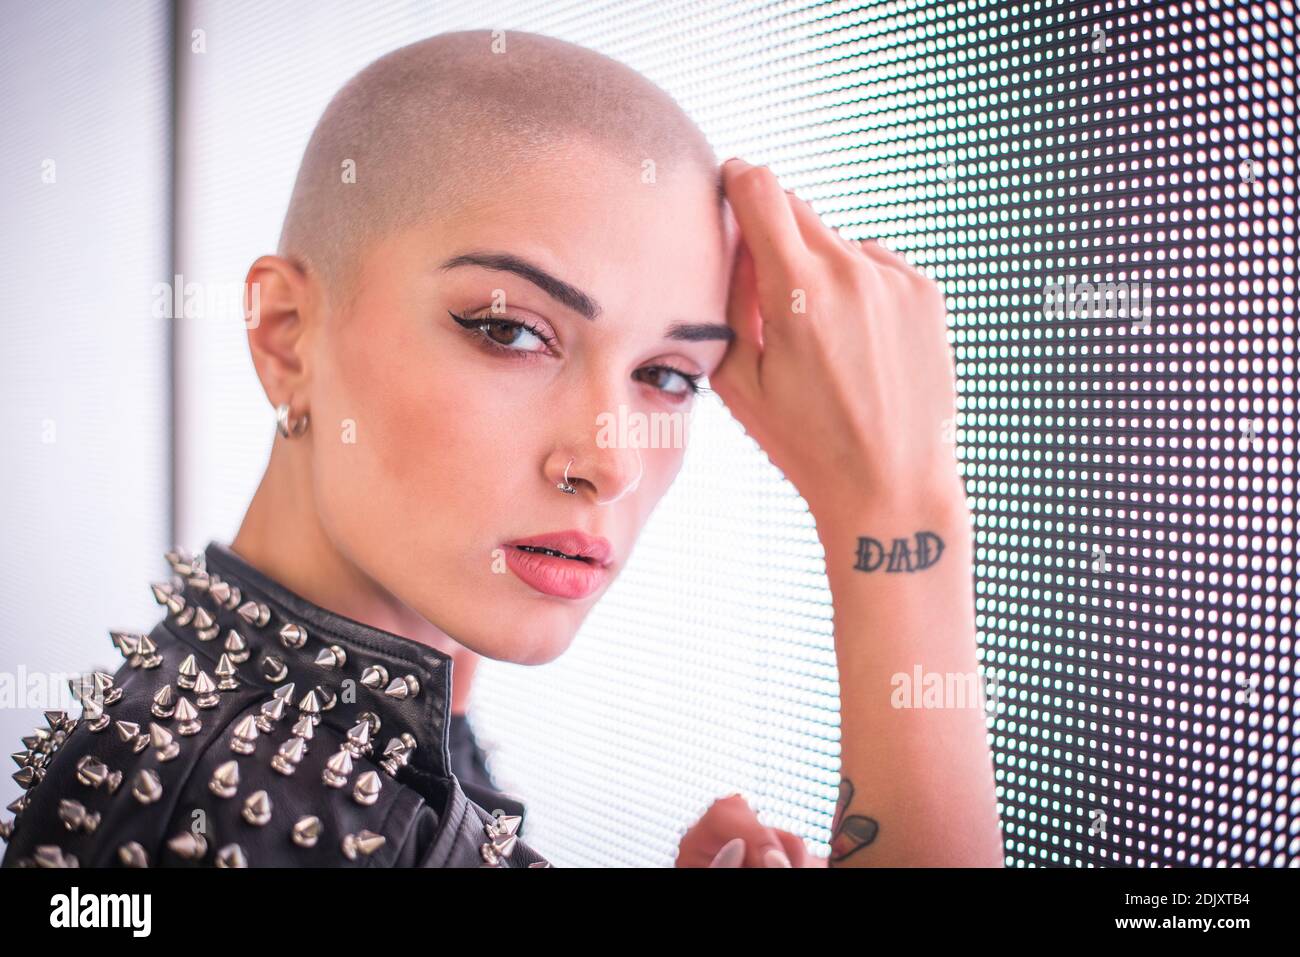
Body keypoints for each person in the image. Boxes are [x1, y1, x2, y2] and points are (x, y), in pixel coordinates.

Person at [2, 27, 1002, 868]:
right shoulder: (240, 811)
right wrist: (894, 508)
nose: (608, 461)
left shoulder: (292, 734)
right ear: (288, 336)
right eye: (511, 331)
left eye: (667, 375)